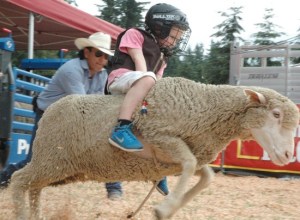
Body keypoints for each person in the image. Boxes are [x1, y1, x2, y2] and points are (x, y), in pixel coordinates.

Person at [0, 32, 123, 200]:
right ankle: (2, 180)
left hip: (71, 116)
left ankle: (114, 189)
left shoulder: (102, 75)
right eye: (98, 54)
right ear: (86, 52)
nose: (102, 60)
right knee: (33, 163)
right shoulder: (71, 70)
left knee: (103, 144)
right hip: (48, 116)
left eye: (105, 56)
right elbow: (83, 105)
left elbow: (98, 103)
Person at [107, 3, 191, 196]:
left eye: (177, 39)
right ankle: (121, 128)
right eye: (172, 36)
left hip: (143, 84)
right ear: (159, 27)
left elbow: (157, 83)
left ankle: (158, 170)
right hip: (122, 78)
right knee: (148, 78)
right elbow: (140, 65)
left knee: (161, 116)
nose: (174, 42)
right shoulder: (134, 34)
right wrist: (149, 80)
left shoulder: (163, 57)